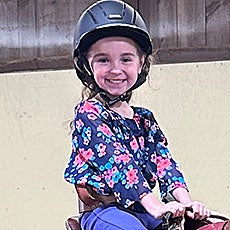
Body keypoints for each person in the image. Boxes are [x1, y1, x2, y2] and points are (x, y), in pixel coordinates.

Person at [64, 0, 211, 229]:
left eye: (126, 59)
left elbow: (164, 163)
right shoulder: (88, 113)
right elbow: (117, 162)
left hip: (142, 209)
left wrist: (187, 203)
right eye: (103, 60)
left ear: (141, 62)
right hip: (105, 211)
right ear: (87, 65)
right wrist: (155, 206)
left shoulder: (144, 119)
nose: (115, 69)